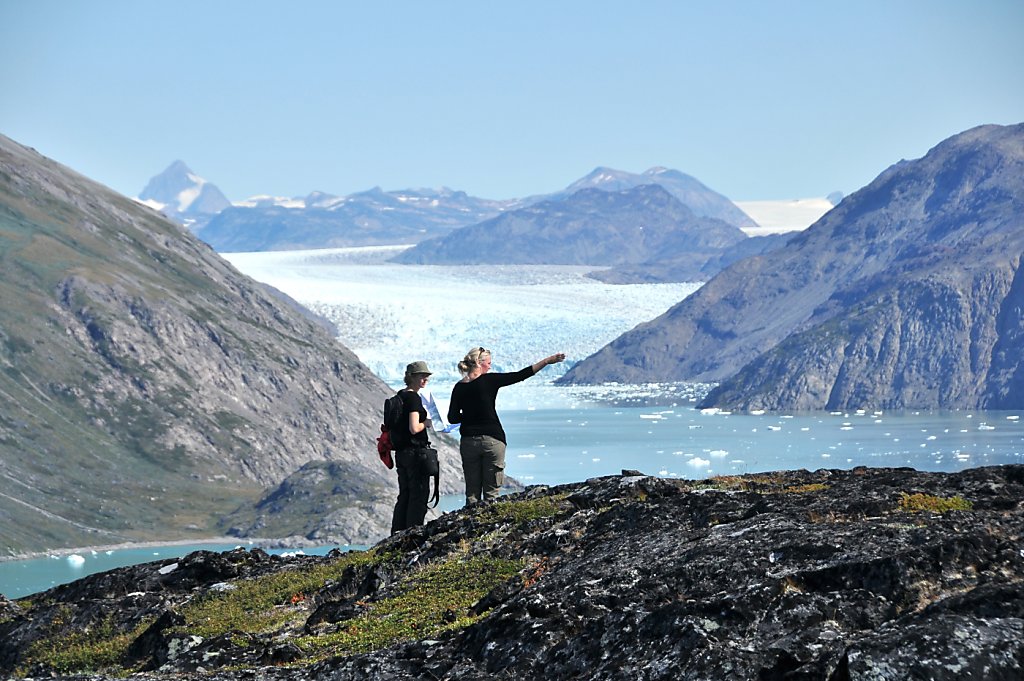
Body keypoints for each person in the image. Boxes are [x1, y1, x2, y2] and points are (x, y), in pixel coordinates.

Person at [448, 347, 565, 505]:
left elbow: (452, 417)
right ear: (479, 363)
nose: (490, 366)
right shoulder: (489, 380)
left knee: (472, 493)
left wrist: (469, 416)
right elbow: (520, 375)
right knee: (491, 493)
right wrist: (546, 361)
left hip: (469, 442)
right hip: (492, 440)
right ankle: (488, 526)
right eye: (488, 363)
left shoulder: (459, 387)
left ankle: (470, 525)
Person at [391, 360, 434, 534]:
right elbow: (414, 427)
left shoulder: (399, 396)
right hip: (416, 453)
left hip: (401, 454)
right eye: (422, 376)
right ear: (412, 377)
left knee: (404, 495)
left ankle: (397, 533)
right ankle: (412, 534)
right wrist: (428, 423)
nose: (425, 379)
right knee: (418, 495)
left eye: (426, 376)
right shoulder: (414, 398)